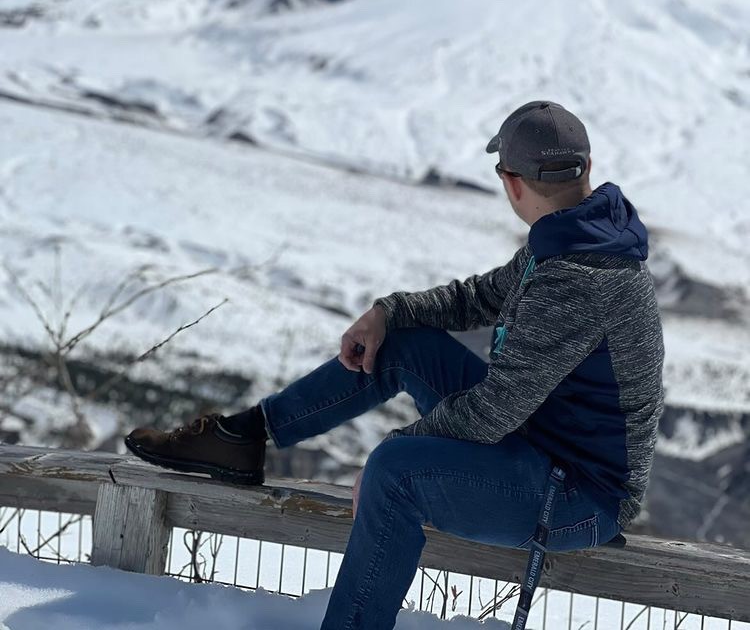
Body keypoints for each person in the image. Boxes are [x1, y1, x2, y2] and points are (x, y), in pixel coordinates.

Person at [125, 100, 665, 630]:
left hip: (578, 494)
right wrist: (390, 312)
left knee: (395, 473)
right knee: (402, 344)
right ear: (587, 168)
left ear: (511, 182)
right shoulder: (576, 236)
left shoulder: (577, 274)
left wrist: (398, 445)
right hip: (541, 444)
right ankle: (244, 436)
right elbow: (479, 298)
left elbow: (494, 412)